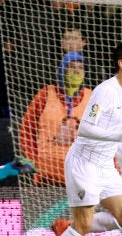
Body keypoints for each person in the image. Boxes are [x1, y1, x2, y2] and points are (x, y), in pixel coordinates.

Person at [52, 41, 122, 236]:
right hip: (84, 165)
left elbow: (109, 129)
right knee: (83, 226)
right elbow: (85, 129)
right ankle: (73, 229)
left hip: (105, 166)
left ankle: (68, 227)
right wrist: (120, 137)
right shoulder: (105, 91)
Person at [19, 51, 92, 185]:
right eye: (72, 66)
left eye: (81, 68)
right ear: (62, 69)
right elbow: (26, 132)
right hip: (47, 176)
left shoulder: (92, 98)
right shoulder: (45, 94)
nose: (77, 71)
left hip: (81, 176)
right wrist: (34, 162)